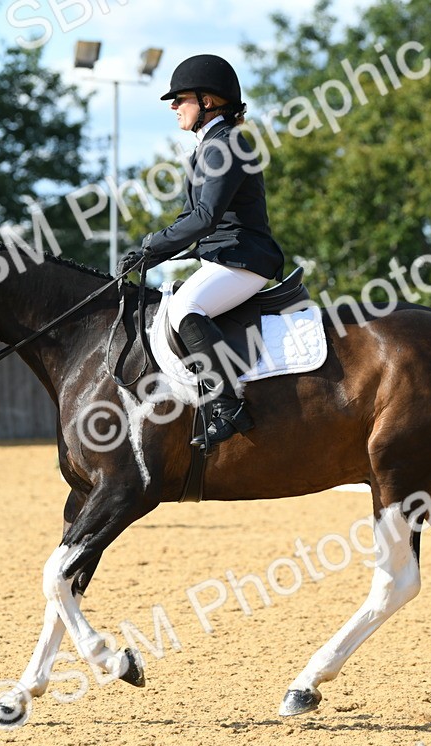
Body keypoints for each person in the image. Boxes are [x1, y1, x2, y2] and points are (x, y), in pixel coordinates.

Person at [119, 54, 285, 451]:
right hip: (224, 258)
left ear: (208, 101)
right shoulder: (208, 147)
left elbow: (205, 217)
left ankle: (228, 405)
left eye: (181, 99)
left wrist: (150, 245)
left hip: (244, 259)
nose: (174, 106)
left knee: (184, 309)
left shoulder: (224, 146)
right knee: (174, 303)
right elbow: (189, 217)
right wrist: (150, 255)